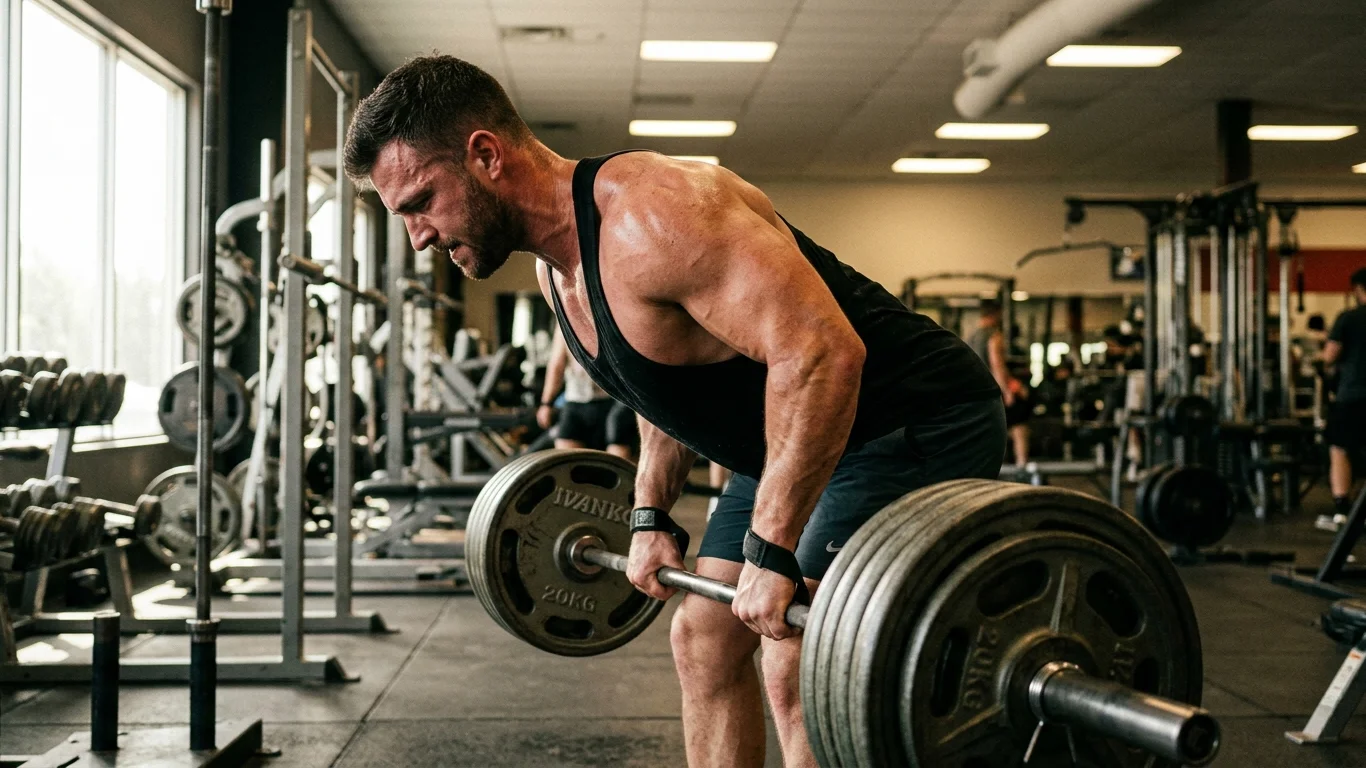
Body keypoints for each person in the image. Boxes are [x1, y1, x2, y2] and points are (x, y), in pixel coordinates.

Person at [343, 55, 1005, 768]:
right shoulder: (557, 267)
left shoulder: (657, 216)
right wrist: (650, 515)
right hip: (787, 436)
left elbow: (823, 355)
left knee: (798, 651)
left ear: (484, 155)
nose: (418, 236)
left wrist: (774, 549)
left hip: (906, 420)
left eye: (419, 203)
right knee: (704, 640)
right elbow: (659, 390)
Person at [537, 327, 637, 460]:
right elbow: (557, 365)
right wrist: (546, 403)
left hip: (613, 405)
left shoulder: (617, 317)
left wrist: (547, 404)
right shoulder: (564, 322)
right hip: (577, 404)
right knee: (568, 465)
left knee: (618, 468)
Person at [1317, 269, 1366, 531]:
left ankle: (1342, 510)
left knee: (1340, 450)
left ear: (1359, 289)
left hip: (1353, 394)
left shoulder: (1349, 318)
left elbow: (1330, 355)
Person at [967, 302, 1029, 466]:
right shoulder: (994, 335)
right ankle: (1022, 467)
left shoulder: (970, 337)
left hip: (977, 391)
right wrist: (1008, 391)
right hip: (994, 390)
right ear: (996, 314)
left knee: (987, 430)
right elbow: (997, 365)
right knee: (1019, 426)